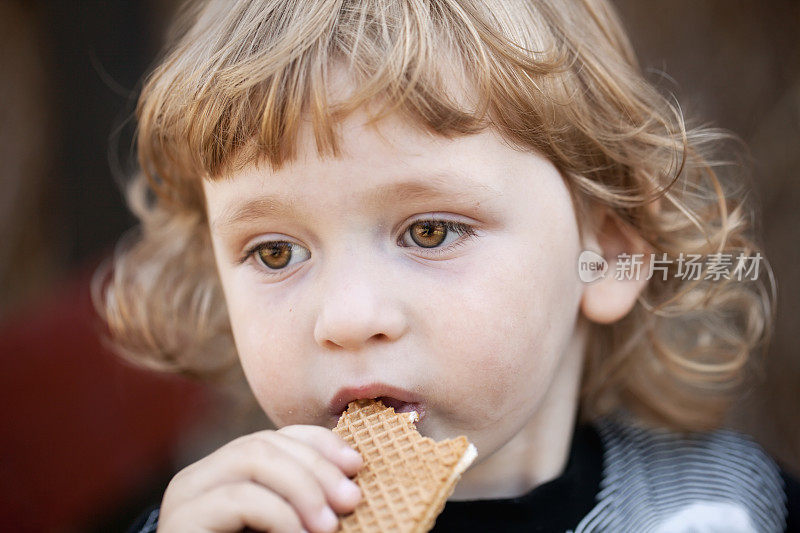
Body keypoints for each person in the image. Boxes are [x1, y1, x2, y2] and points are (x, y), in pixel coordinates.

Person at [93, 0, 799, 531]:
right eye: (275, 251)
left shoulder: (726, 503)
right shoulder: (236, 525)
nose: (347, 317)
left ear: (608, 253)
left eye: (429, 231)